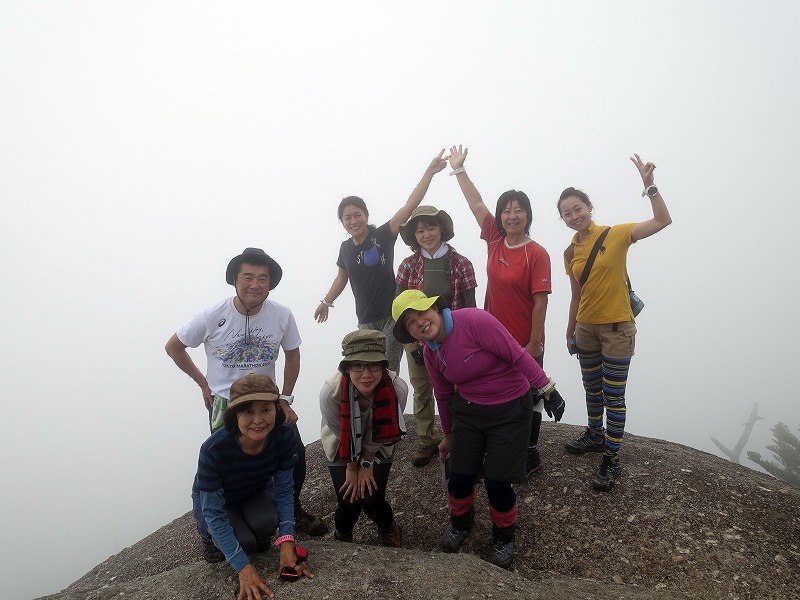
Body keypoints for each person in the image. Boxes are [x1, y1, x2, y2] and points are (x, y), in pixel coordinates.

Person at [165, 247, 327, 563]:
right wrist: (203, 383)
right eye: (248, 277)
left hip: (267, 399)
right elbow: (174, 346)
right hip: (227, 403)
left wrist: (285, 397)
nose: (255, 284)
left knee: (293, 449)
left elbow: (292, 353)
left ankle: (288, 509)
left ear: (270, 283)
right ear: (235, 280)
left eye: (262, 278)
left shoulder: (281, 314)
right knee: (225, 461)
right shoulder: (213, 314)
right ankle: (216, 527)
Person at [391, 290, 565, 569]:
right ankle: (461, 523)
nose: (420, 323)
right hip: (470, 413)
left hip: (510, 409)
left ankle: (504, 536)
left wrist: (548, 390)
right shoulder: (431, 352)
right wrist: (447, 435)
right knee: (459, 476)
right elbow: (443, 394)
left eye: (421, 313)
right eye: (410, 323)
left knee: (498, 482)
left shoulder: (474, 321)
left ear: (435, 307)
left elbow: (517, 355)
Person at [559, 154, 672, 492]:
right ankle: (595, 435)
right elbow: (576, 295)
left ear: (589, 207)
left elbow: (663, 221)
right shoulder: (569, 252)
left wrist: (649, 186)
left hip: (617, 329)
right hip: (586, 329)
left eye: (578, 208)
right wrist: (569, 331)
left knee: (613, 394)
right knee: (591, 389)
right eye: (567, 213)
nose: (574, 216)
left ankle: (611, 456)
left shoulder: (617, 234)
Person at [447, 144, 552, 477]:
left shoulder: (537, 253)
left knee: (529, 397)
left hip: (524, 339)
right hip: (491, 339)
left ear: (528, 216)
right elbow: (476, 203)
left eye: (519, 210)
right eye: (507, 210)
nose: (512, 215)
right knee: (497, 393)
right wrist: (460, 170)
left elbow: (541, 300)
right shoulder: (494, 237)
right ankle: (500, 449)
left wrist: (534, 343)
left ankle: (530, 453)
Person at [313, 150, 449, 374]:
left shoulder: (382, 236)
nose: (353, 221)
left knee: (388, 368)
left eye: (357, 215)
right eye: (347, 217)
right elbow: (341, 278)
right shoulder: (345, 249)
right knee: (370, 370)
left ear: (366, 215)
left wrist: (429, 173)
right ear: (342, 222)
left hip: (391, 315)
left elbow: (409, 206)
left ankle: (393, 409)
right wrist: (326, 303)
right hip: (365, 319)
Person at [195, 373, 314, 600]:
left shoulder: (284, 436)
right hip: (219, 502)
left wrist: (287, 541)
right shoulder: (214, 450)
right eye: (247, 411)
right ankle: (209, 538)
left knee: (267, 523)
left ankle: (250, 530)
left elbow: (284, 490)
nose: (258, 420)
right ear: (234, 414)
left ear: (276, 409)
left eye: (265, 409)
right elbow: (212, 511)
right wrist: (243, 567)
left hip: (252, 490)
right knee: (244, 543)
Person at [395, 205, 477, 467]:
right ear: (413, 235)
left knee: (458, 387)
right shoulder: (408, 266)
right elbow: (398, 309)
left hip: (453, 338)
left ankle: (459, 437)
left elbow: (470, 306)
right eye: (420, 230)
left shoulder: (461, 263)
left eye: (431, 227)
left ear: (442, 228)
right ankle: (426, 439)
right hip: (416, 339)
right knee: (422, 388)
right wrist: (414, 342)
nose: (426, 234)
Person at [319, 329, 408, 546]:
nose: (366, 374)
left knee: (372, 500)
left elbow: (382, 430)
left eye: (374, 365)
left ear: (384, 366)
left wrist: (366, 462)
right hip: (342, 441)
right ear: (347, 367)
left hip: (379, 440)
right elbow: (342, 434)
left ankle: (388, 529)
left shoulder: (397, 389)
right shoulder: (330, 393)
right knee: (349, 502)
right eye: (357, 365)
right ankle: (342, 537)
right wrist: (352, 467)